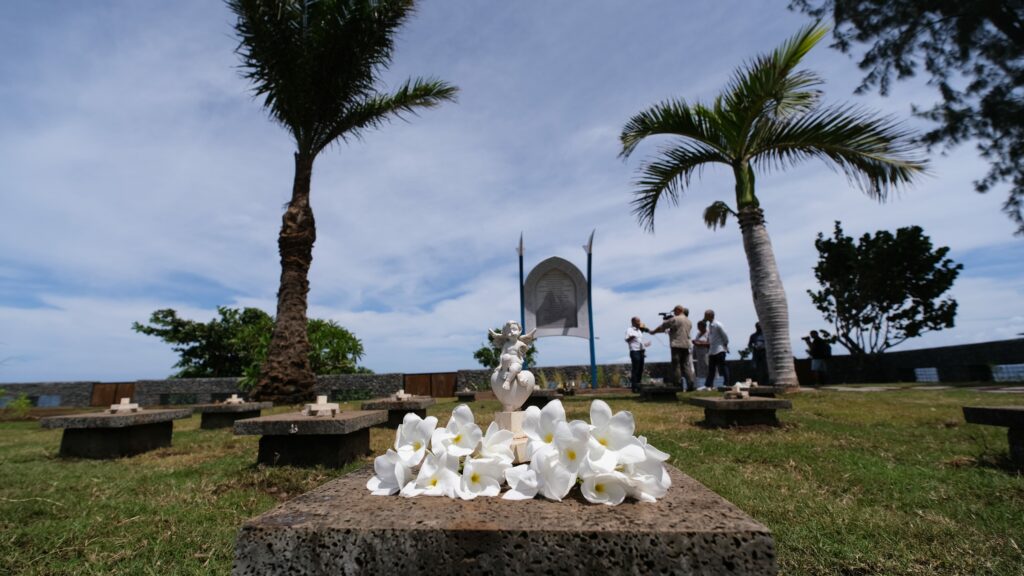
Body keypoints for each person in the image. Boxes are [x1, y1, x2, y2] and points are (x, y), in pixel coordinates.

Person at [650, 305, 696, 391]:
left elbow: (662, 327)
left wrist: (653, 332)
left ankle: (677, 385)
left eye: (675, 311)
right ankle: (691, 384)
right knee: (685, 366)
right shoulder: (689, 321)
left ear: (679, 310)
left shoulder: (675, 319)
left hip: (676, 345)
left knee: (676, 365)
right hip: (686, 345)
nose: (674, 313)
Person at [703, 309, 730, 389]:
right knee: (711, 368)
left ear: (710, 316)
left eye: (706, 315)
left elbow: (725, 336)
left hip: (719, 349)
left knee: (723, 367)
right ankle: (708, 385)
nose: (704, 317)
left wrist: (725, 344)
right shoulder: (710, 325)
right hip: (712, 349)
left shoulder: (717, 324)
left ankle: (726, 383)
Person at [624, 317, 650, 392]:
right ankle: (634, 387)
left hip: (641, 351)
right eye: (637, 321)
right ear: (633, 322)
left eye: (639, 321)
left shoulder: (639, 331)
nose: (639, 322)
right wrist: (631, 337)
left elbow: (639, 341)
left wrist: (645, 345)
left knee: (640, 369)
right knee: (636, 368)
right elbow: (626, 339)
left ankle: (638, 385)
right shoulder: (630, 330)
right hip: (634, 351)